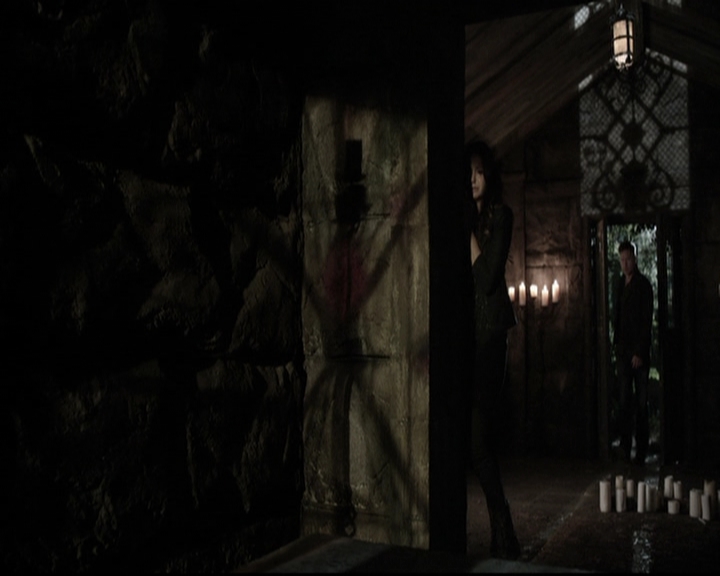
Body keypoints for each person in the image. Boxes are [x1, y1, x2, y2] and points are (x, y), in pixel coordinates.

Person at [465, 140, 520, 560]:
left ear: (490, 175)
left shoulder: (502, 217)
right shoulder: (468, 216)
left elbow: (486, 278)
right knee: (472, 438)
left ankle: (503, 525)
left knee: (480, 435)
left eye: (479, 171)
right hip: (466, 336)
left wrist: (466, 234)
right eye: (467, 172)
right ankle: (503, 529)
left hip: (491, 335)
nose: (472, 179)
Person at [612, 240, 654, 466]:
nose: (625, 263)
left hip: (639, 353)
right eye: (622, 260)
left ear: (634, 259)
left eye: (628, 259)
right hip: (623, 352)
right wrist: (617, 345)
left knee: (641, 403)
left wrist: (639, 351)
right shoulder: (619, 284)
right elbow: (617, 316)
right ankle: (625, 446)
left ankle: (641, 450)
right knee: (624, 400)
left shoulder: (644, 286)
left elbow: (646, 321)